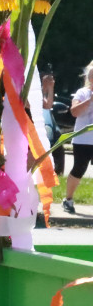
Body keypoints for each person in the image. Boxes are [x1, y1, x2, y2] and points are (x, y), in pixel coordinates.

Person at [63, 62, 93, 214]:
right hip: (83, 140)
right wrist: (90, 100)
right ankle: (68, 199)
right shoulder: (82, 93)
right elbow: (74, 112)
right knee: (79, 169)